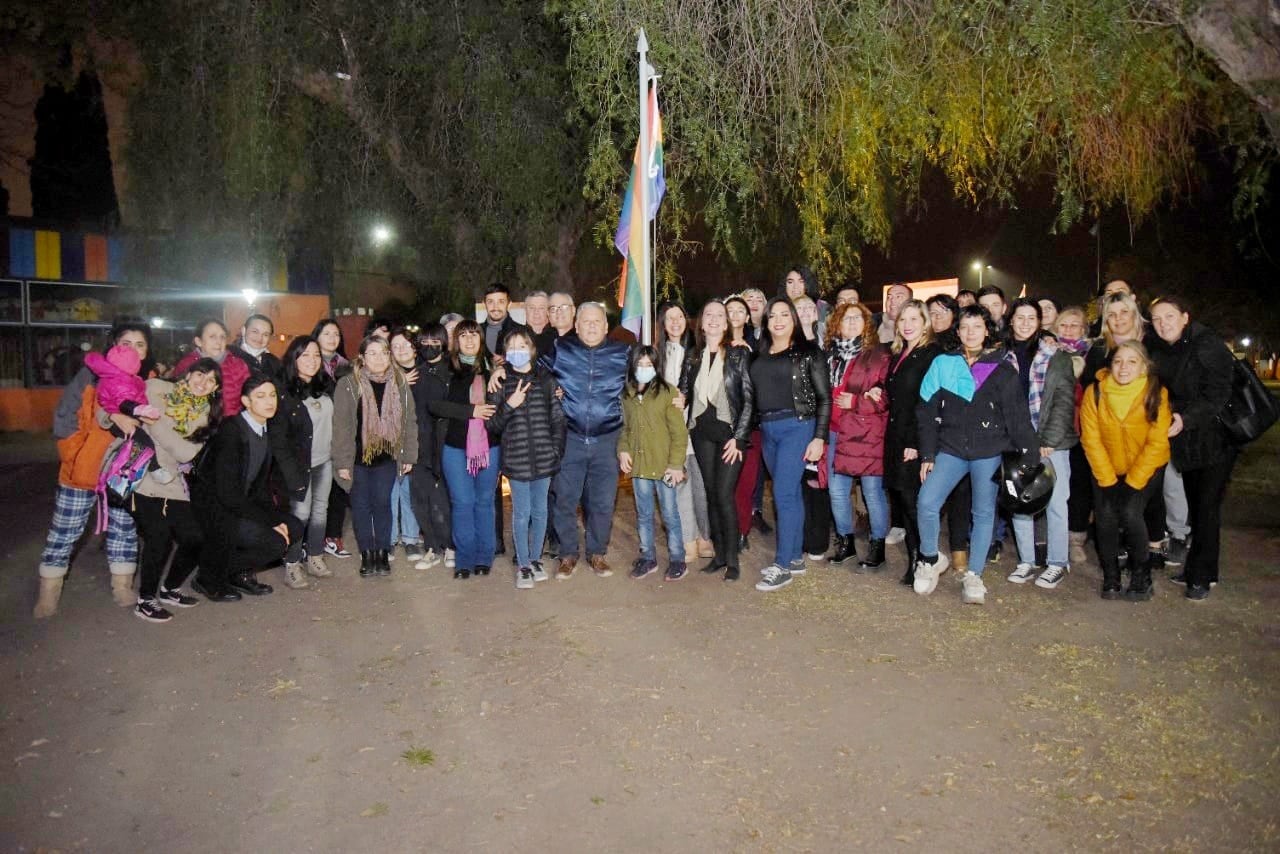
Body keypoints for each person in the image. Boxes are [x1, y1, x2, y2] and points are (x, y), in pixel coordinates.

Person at [913, 305, 1039, 606]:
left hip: (989, 451)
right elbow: (926, 412)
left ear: (987, 330)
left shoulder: (1002, 369)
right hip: (951, 449)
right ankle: (930, 559)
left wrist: (1031, 456)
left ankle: (974, 575)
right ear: (957, 331)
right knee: (927, 501)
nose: (970, 332)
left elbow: (1018, 419)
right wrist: (927, 454)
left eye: (977, 326)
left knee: (983, 513)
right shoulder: (943, 363)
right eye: (965, 326)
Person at [35, 320, 155, 618]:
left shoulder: (147, 381)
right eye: (127, 343)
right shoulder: (90, 375)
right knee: (66, 529)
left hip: (122, 471)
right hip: (83, 468)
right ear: (114, 345)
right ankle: (49, 590)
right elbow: (65, 415)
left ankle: (122, 584)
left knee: (124, 527)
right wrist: (73, 452)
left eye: (140, 344)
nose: (134, 350)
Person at [1148, 296, 1236, 600]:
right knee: (1197, 506)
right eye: (1157, 319)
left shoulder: (1206, 343)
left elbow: (1219, 392)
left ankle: (1200, 577)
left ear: (1185, 317)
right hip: (1187, 439)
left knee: (1206, 507)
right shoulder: (1167, 347)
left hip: (1214, 438)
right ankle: (1201, 568)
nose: (1163, 324)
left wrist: (1186, 417)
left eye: (1169, 316)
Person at [124, 359, 222, 621]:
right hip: (139, 473)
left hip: (172, 481)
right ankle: (146, 600)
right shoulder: (155, 387)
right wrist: (125, 417)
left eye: (211, 380)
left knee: (196, 537)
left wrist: (152, 423)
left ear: (215, 388)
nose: (203, 382)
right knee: (159, 536)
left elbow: (184, 452)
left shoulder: (205, 415)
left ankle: (169, 588)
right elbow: (116, 404)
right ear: (188, 374)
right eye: (200, 374)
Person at [190, 373, 302, 601]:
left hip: (240, 503)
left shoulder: (265, 430)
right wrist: (270, 523)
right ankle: (208, 575)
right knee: (275, 542)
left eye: (272, 395)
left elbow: (259, 486)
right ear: (246, 402)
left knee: (295, 527)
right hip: (216, 507)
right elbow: (226, 493)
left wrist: (275, 519)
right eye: (260, 396)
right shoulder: (232, 431)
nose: (269, 401)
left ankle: (237, 573)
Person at [542, 302, 630, 579]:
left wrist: (674, 393)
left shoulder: (622, 353)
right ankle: (568, 554)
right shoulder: (561, 350)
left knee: (603, 502)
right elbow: (530, 369)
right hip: (571, 438)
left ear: (606, 326)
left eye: (597, 322)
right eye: (585, 322)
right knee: (565, 500)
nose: (591, 326)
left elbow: (649, 379)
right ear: (576, 326)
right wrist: (499, 371)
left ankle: (597, 553)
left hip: (607, 439)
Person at [750, 297, 831, 592]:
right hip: (768, 429)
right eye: (773, 315)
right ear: (767, 321)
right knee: (790, 494)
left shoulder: (809, 352)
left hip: (798, 427)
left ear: (794, 319)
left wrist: (819, 437)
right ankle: (795, 558)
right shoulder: (759, 355)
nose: (779, 320)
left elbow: (824, 397)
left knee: (782, 494)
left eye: (785, 314)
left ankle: (782, 565)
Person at [1079, 341, 1171, 600]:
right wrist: (1107, 480)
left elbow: (1157, 441)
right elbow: (1091, 438)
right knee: (1106, 515)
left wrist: (1133, 481)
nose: (1123, 367)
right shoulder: (1095, 392)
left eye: (1132, 361)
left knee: (1131, 513)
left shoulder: (1156, 392)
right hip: (1106, 466)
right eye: (1118, 361)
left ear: (1144, 366)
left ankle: (1141, 574)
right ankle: (1111, 575)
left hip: (1145, 466)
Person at [1004, 298, 1078, 590]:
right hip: (1015, 440)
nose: (1024, 323)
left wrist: (1048, 439)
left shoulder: (1055, 355)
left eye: (1030, 318)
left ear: (1039, 322)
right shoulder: (1001, 355)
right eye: (1019, 317)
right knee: (1019, 501)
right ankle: (1027, 560)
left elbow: (1063, 401)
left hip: (1050, 441)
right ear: (1011, 321)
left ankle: (1058, 562)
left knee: (1056, 502)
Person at [333, 335, 418, 578]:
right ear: (361, 357)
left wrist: (409, 455)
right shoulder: (349, 384)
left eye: (383, 352)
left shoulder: (399, 382)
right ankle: (367, 554)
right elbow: (341, 426)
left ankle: (381, 552)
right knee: (361, 507)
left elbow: (409, 422)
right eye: (372, 353)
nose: (379, 358)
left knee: (383, 505)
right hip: (357, 459)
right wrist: (341, 462)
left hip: (387, 458)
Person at [684, 299, 754, 581]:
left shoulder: (737, 355)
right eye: (708, 315)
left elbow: (749, 400)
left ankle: (733, 560)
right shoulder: (694, 356)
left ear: (726, 324)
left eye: (719, 316)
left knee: (725, 495)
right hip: (701, 434)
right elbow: (684, 392)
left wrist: (739, 438)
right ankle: (720, 555)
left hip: (729, 436)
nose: (713, 319)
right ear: (701, 323)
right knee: (711, 495)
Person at [488, 329, 563, 588]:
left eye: (522, 345)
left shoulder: (546, 379)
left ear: (531, 349)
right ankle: (522, 565)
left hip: (544, 459)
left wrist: (556, 451)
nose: (517, 350)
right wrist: (510, 404)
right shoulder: (500, 381)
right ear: (506, 353)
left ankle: (535, 558)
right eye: (512, 346)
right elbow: (492, 425)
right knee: (522, 513)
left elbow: (557, 419)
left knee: (541, 511)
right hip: (517, 461)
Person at [432, 321, 499, 579]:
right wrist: (471, 411)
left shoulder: (495, 367)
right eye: (463, 336)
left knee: (484, 502)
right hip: (455, 447)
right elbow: (435, 405)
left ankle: (484, 557)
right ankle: (464, 559)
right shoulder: (446, 369)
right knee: (462, 503)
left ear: (481, 339)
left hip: (489, 446)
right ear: (455, 341)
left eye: (474, 335)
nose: (469, 340)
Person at [827, 302, 891, 569]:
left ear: (866, 324)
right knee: (837, 492)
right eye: (846, 318)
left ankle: (878, 544)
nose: (851, 323)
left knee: (871, 492)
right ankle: (846, 542)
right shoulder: (829, 356)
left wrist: (855, 402)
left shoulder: (878, 357)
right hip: (833, 431)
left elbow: (884, 399)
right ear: (837, 324)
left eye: (857, 318)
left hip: (865, 434)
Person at [881, 300, 940, 586]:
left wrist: (918, 442)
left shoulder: (931, 354)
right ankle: (916, 556)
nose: (907, 325)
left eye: (914, 319)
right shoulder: (899, 353)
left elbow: (929, 401)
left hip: (914, 438)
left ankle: (925, 558)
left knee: (914, 501)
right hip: (895, 436)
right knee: (904, 501)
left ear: (925, 322)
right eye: (903, 319)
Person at [270, 336, 337, 588]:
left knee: (321, 511)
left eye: (316, 355)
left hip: (324, 461)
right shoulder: (283, 392)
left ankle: (316, 556)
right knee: (300, 514)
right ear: (294, 358)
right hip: (300, 465)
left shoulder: (325, 384)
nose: (312, 360)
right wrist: (290, 474)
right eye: (305, 355)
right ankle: (293, 563)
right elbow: (278, 439)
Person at [619, 345, 689, 581]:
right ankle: (648, 557)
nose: (644, 369)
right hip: (639, 466)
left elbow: (679, 434)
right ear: (632, 365)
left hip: (664, 466)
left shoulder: (667, 392)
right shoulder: (627, 393)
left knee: (669, 514)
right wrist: (623, 450)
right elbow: (625, 429)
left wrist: (676, 464)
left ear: (656, 367)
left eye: (649, 365)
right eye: (640, 364)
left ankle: (678, 558)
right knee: (644, 514)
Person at [657, 300, 714, 560]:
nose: (675, 322)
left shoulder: (698, 352)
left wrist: (688, 399)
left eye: (679, 316)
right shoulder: (656, 355)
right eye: (669, 318)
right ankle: (688, 539)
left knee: (701, 487)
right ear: (662, 323)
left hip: (697, 428)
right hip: (670, 431)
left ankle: (705, 536)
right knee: (680, 485)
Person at [409, 323, 454, 569]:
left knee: (443, 499)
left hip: (446, 444)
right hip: (418, 445)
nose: (429, 346)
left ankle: (449, 546)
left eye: (434, 341)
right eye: (423, 342)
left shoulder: (451, 372)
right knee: (421, 500)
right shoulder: (414, 373)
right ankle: (431, 547)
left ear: (443, 343)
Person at [312, 318, 354, 560]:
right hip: (317, 436)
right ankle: (311, 541)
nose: (331, 338)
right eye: (326, 333)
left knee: (340, 487)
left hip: (341, 436)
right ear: (316, 336)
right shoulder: (308, 364)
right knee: (316, 492)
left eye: (336, 334)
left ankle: (333, 537)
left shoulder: (347, 367)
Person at [388, 328, 429, 566]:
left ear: (414, 346)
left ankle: (411, 537)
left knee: (411, 492)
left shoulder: (425, 370)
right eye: (395, 346)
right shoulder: (386, 375)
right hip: (392, 441)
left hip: (419, 440)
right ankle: (391, 538)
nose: (401, 349)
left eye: (405, 344)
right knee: (392, 491)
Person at [171, 319, 251, 416]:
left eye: (222, 337)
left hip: (231, 425)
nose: (218, 342)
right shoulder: (186, 364)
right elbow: (174, 397)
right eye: (212, 337)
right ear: (198, 341)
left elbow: (249, 397)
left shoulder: (238, 365)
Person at [482, 282, 527, 359]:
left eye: (501, 302)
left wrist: (507, 361)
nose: (495, 307)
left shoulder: (522, 332)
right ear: (484, 304)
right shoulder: (477, 332)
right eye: (490, 302)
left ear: (509, 304)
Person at [230, 313, 283, 378]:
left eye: (265, 335)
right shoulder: (229, 357)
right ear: (244, 330)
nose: (260, 338)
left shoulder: (273, 362)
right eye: (255, 331)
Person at [523, 290, 556, 355]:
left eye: (541, 308)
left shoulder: (558, 337)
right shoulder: (515, 336)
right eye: (532, 308)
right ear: (525, 310)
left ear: (548, 311)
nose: (536, 312)